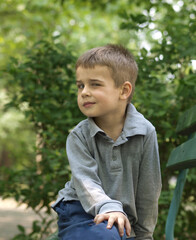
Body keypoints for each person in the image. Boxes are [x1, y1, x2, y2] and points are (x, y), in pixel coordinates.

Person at [52, 44, 162, 240]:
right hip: (80, 208)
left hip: (118, 217)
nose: (84, 92)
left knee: (111, 232)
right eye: (80, 85)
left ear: (124, 90)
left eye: (95, 84)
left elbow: (148, 190)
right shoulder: (79, 136)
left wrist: (145, 235)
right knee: (105, 235)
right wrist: (110, 208)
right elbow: (86, 183)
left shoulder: (145, 132)